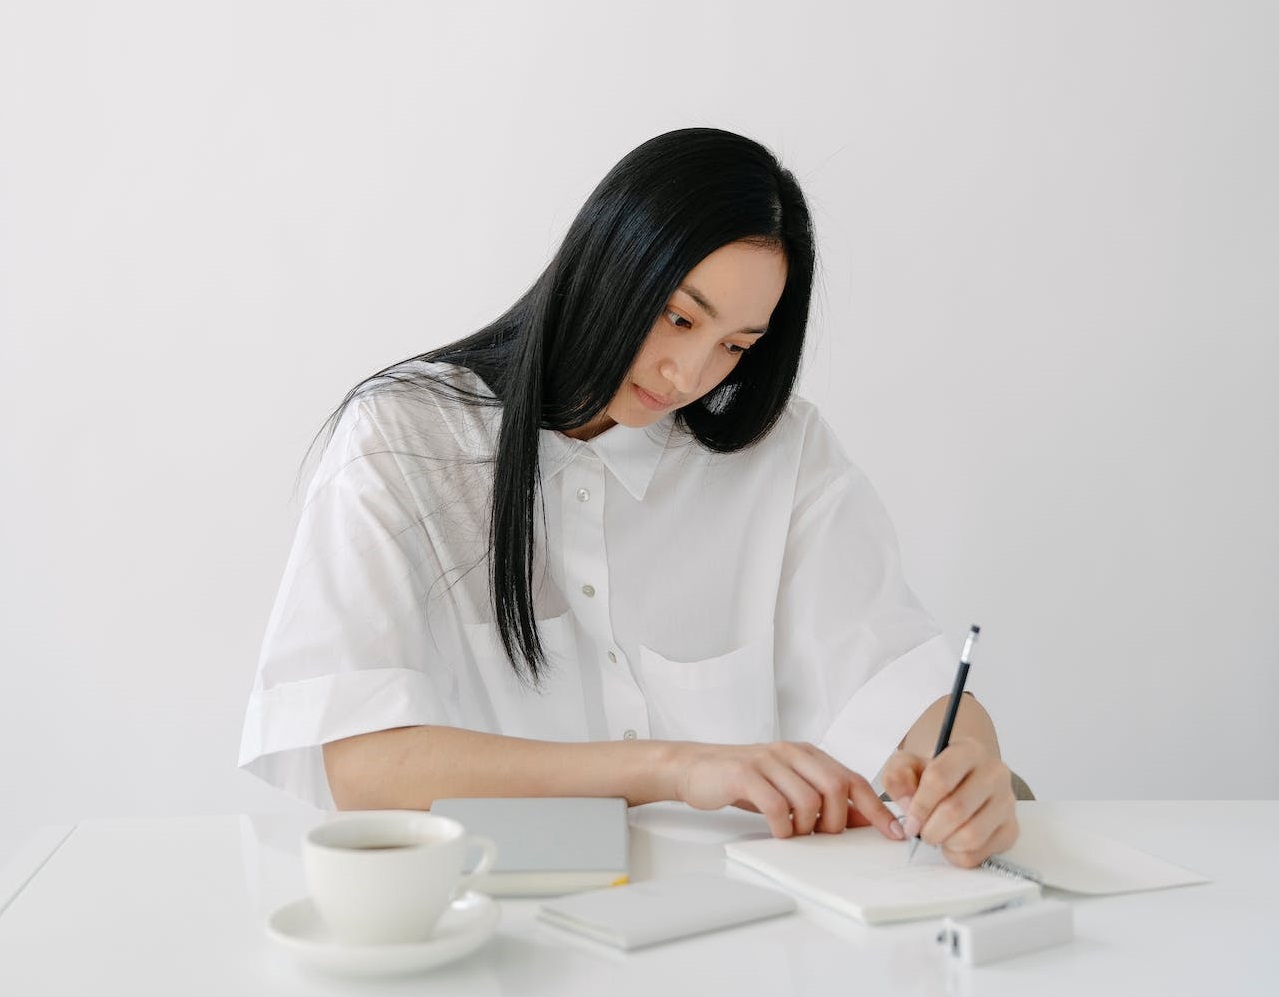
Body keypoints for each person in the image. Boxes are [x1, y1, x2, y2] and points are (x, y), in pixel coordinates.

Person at [238, 127, 1019, 868]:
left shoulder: (782, 454)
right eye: (678, 317)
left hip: (741, 930)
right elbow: (369, 766)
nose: (689, 373)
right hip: (501, 930)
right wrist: (675, 768)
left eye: (734, 347)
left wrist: (967, 766)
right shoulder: (407, 439)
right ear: (610, 263)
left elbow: (896, 675)